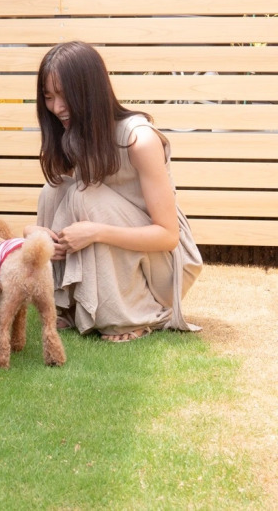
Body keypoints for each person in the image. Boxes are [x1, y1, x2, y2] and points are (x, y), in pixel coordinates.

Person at [24, 41, 203, 342]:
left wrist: (96, 232)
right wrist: (35, 233)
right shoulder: (76, 134)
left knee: (85, 194)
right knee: (54, 190)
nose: (56, 108)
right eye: (49, 97)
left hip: (165, 267)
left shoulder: (139, 139)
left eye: (64, 95)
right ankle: (65, 305)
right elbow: (68, 205)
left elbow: (167, 235)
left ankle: (135, 313)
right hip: (121, 241)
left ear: (90, 91)